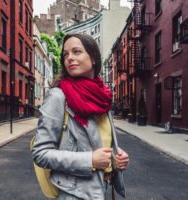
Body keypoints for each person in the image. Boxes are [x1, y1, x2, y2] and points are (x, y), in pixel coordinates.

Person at [32, 33, 129, 200]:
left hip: (102, 186)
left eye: (76, 52)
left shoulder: (102, 97)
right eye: (66, 54)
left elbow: (99, 140)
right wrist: (90, 160)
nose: (69, 58)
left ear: (93, 58)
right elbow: (40, 153)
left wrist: (116, 156)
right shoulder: (58, 97)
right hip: (74, 193)